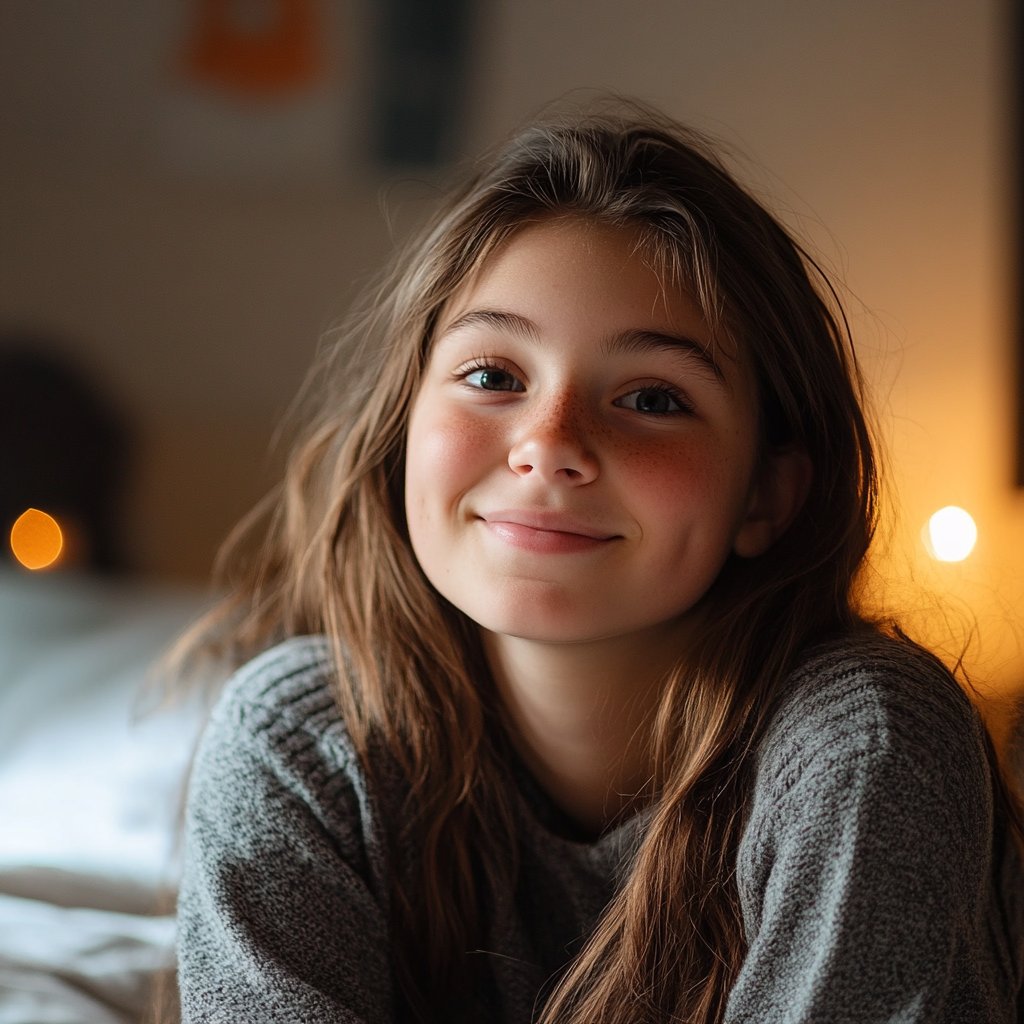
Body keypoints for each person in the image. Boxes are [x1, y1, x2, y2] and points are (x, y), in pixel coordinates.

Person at [174, 100, 1024, 1023]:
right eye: (493, 376)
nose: (549, 444)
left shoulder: (864, 748)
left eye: (653, 398)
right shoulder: (299, 746)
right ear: (404, 430)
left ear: (765, 496)